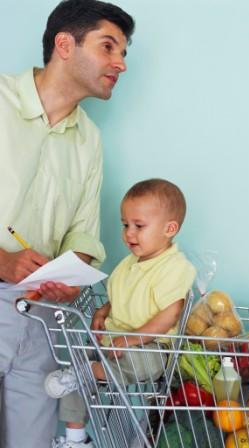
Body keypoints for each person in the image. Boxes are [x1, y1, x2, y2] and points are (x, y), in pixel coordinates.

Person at [0, 1, 135, 447]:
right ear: (64, 44)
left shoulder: (90, 140)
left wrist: (71, 274)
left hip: (42, 316)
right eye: (108, 46)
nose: (121, 63)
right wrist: (3, 259)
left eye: (124, 52)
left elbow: (82, 231)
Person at [45, 178, 196, 448]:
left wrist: (133, 339)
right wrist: (104, 310)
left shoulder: (174, 267)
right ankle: (76, 438)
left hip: (151, 346)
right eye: (125, 225)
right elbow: (122, 297)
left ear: (169, 229)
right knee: (78, 363)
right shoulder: (129, 264)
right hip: (115, 339)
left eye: (139, 226)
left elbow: (170, 314)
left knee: (138, 364)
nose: (129, 233)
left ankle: (88, 372)